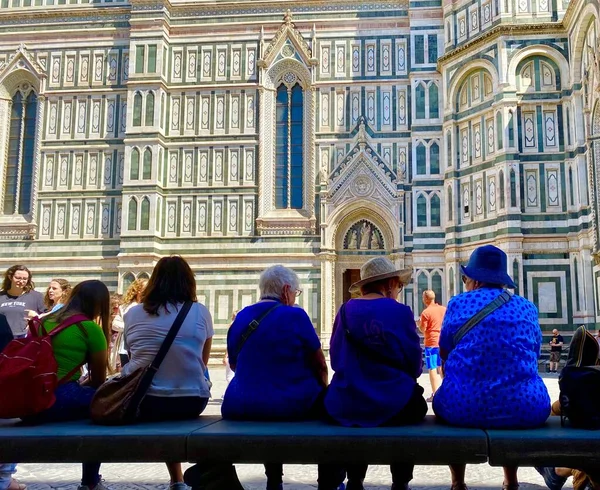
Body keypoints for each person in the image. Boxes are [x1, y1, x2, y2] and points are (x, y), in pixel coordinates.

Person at [433, 244, 550, 490]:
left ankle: (458, 482)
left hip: (462, 406)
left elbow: (444, 351)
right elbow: (535, 353)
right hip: (526, 407)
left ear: (474, 281)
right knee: (511, 384)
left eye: (465, 278)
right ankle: (511, 480)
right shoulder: (527, 307)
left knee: (451, 389)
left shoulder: (458, 304)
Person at [219, 265, 329, 490]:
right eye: (296, 293)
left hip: (240, 405)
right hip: (292, 405)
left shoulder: (241, 317)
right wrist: (324, 391)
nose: (294, 298)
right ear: (287, 290)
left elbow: (233, 363)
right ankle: (330, 482)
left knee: (268, 400)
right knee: (332, 413)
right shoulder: (295, 315)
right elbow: (319, 365)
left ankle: (274, 480)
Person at [324, 256, 426, 490]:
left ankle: (355, 479)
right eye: (399, 285)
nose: (398, 290)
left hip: (348, 401)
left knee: (350, 415)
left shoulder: (345, 311)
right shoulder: (400, 312)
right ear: (389, 284)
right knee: (412, 409)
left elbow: (337, 358)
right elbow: (415, 365)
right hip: (395, 403)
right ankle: (400, 481)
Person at [122, 256, 213, 490]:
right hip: (191, 401)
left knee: (159, 390)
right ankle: (195, 478)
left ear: (154, 281)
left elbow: (135, 360)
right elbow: (202, 364)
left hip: (146, 401)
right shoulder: (200, 312)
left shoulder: (132, 314)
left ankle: (176, 479)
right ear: (188, 282)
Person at [25, 280, 112, 490]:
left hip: (29, 398)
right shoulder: (89, 328)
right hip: (58, 398)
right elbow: (99, 380)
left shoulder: (44, 322)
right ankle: (90, 482)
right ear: (99, 305)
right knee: (103, 404)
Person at [109, 279, 147, 372]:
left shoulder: (151, 306)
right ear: (138, 290)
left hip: (143, 348)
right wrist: (132, 326)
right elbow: (115, 324)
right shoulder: (125, 307)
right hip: (125, 348)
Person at [0, 265, 45, 338]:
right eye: (18, 278)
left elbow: (49, 315)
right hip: (3, 339)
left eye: (25, 279)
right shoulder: (1, 296)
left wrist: (36, 318)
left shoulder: (36, 296)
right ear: (10, 277)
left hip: (25, 339)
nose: (21, 281)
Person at [417, 289, 446, 401]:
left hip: (431, 343)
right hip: (442, 342)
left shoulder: (425, 313)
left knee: (432, 368)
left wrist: (419, 324)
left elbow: (423, 329)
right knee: (442, 368)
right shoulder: (444, 309)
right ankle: (445, 391)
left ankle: (435, 394)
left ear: (425, 299)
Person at [222, 310, 238, 387]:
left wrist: (225, 356)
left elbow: (230, 343)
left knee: (229, 377)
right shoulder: (242, 327)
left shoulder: (233, 326)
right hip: (239, 355)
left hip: (232, 355)